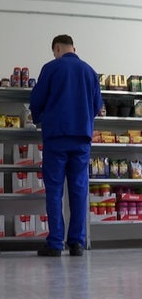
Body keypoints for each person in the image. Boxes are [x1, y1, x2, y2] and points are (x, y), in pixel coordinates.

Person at [29, 35, 102, 257]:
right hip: (81, 138)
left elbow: (36, 101)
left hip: (56, 137)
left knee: (54, 190)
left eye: (54, 52)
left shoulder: (51, 68)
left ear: (57, 48)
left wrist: (39, 118)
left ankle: (55, 243)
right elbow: (97, 105)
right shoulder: (89, 71)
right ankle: (77, 243)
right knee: (79, 190)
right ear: (74, 48)